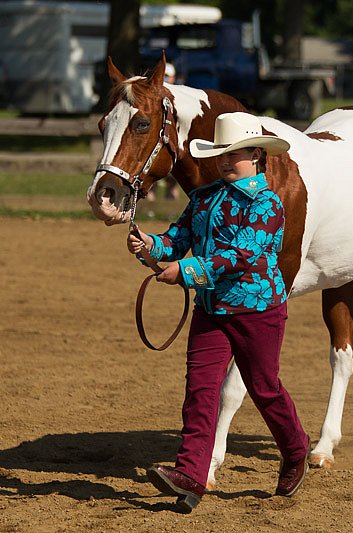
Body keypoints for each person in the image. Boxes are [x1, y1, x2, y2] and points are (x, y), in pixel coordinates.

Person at [127, 112, 309, 512]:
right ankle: (190, 473)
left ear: (258, 155)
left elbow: (241, 256)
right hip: (211, 309)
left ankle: (296, 449)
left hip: (257, 310)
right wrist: (150, 246)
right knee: (201, 389)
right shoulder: (205, 198)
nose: (227, 161)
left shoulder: (267, 204)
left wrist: (186, 273)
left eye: (237, 153)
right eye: (222, 154)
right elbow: (177, 240)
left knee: (264, 388)